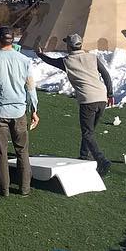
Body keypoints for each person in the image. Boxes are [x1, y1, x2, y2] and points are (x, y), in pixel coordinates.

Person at [37, 32, 115, 174]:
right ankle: (84, 156)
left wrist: (40, 54)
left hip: (87, 100)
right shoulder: (92, 57)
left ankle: (101, 160)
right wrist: (110, 94)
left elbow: (50, 61)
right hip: (101, 97)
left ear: (69, 46)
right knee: (90, 132)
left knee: (87, 133)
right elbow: (106, 75)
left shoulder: (67, 61)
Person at [0, 25, 40, 197]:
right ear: (13, 40)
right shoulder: (24, 60)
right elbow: (30, 87)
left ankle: (3, 189)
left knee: (0, 152)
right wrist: (34, 109)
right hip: (19, 112)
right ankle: (25, 188)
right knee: (22, 151)